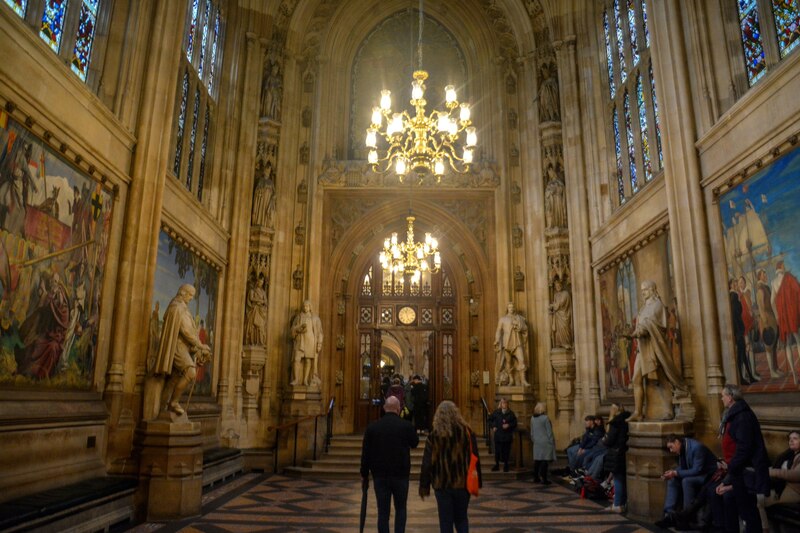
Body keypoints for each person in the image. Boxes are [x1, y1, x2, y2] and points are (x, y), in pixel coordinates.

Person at [627, 281, 689, 421]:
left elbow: (655, 324)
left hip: (655, 348)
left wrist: (641, 330)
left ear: (652, 289)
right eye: (642, 290)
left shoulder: (657, 305)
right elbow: (642, 324)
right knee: (636, 379)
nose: (643, 292)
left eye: (645, 290)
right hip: (642, 349)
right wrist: (635, 333)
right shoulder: (643, 308)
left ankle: (668, 410)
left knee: (662, 380)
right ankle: (638, 412)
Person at [419, 401, 481, 533]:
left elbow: (427, 463)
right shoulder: (467, 433)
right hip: (462, 483)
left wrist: (424, 486)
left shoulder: (434, 436)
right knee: (462, 519)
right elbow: (475, 457)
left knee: (445, 521)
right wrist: (478, 480)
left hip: (442, 484)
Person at [715, 384, 770, 533]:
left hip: (744, 470)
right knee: (740, 506)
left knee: (749, 511)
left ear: (731, 397)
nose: (721, 398)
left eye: (723, 395)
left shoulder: (743, 416)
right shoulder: (734, 414)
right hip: (738, 469)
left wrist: (731, 466)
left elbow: (745, 447)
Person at [360, 395, 419, 533]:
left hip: (380, 475)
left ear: (384, 408)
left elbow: (366, 453)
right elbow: (415, 443)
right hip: (401, 475)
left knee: (383, 512)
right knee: (401, 509)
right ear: (398, 409)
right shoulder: (405, 426)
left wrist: (364, 473)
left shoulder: (372, 428)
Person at [151, 284, 212, 415]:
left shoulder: (182, 308)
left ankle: (163, 407)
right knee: (190, 372)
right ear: (183, 293)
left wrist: (197, 351)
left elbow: (191, 331)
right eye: (190, 295)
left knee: (174, 378)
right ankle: (173, 402)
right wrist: (200, 345)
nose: (191, 298)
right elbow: (186, 331)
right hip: (177, 347)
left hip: (183, 346)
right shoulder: (178, 307)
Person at [654, 434, 718, 527]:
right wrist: (673, 472)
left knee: (687, 481)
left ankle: (686, 517)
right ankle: (669, 515)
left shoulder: (697, 447)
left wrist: (676, 473)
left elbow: (697, 470)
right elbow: (684, 467)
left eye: (671, 447)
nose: (671, 451)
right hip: (698, 473)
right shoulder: (683, 447)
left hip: (707, 476)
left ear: (676, 442)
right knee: (672, 480)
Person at [771, 260, 800, 384]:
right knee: (798, 340)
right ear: (781, 267)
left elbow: (772, 302)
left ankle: (794, 377)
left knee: (787, 344)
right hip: (791, 313)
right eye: (783, 265)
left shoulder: (773, 282)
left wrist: (777, 316)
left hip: (782, 316)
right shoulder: (788, 277)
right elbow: (798, 291)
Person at [600, 403, 631, 513]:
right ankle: (623, 503)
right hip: (625, 451)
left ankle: (617, 504)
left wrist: (604, 441)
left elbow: (610, 439)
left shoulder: (615, 422)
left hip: (616, 453)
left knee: (617, 479)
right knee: (623, 479)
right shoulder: (627, 420)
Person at [494, 302, 530, 386]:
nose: (511, 309)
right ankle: (511, 380)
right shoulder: (502, 319)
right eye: (510, 307)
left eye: (513, 307)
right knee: (508, 362)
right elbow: (498, 330)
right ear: (507, 308)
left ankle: (523, 380)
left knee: (522, 360)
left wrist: (519, 327)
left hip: (517, 342)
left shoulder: (519, 318)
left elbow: (525, 328)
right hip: (506, 343)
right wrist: (497, 340)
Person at [289, 299, 323, 387]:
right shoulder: (298, 317)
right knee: (296, 359)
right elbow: (292, 329)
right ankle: (296, 379)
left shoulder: (315, 318)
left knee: (308, 360)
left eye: (307, 306)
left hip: (310, 342)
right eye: (304, 306)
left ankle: (305, 380)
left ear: (310, 307)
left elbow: (320, 332)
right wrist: (298, 328)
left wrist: (319, 343)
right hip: (300, 341)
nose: (305, 307)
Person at [766, 430, 800, 506]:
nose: (791, 440)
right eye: (790, 438)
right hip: (780, 485)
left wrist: (772, 472)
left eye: (795, 438)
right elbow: (778, 466)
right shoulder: (788, 454)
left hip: (794, 490)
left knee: (760, 500)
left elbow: (796, 475)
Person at [530, 402, 556, 485]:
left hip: (537, 442)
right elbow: (549, 432)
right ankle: (544, 479)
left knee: (537, 460)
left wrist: (534, 440)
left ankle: (536, 477)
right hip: (546, 442)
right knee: (545, 460)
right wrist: (552, 442)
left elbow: (532, 432)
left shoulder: (532, 418)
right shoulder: (545, 418)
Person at [489, 398, 517, 472]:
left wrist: (509, 425)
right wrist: (493, 426)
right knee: (497, 451)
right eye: (502, 403)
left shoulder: (511, 413)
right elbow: (490, 420)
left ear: (507, 404)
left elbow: (514, 423)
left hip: (507, 435)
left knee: (506, 451)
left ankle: (506, 465)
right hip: (498, 435)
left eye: (505, 403)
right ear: (500, 404)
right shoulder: (496, 412)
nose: (504, 404)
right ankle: (497, 465)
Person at [243, 274, 267, 345]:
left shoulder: (263, 292)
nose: (261, 284)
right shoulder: (252, 290)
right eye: (260, 282)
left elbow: (265, 301)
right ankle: (252, 341)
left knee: (261, 327)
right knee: (253, 326)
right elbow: (251, 298)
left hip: (261, 310)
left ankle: (259, 341)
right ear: (257, 282)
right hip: (254, 309)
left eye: (262, 282)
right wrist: (258, 301)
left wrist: (263, 302)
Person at [549, 277, 573, 348]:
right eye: (556, 286)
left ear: (561, 285)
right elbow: (556, 304)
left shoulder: (566, 293)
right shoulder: (555, 295)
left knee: (564, 328)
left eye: (559, 286)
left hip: (564, 315)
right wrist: (552, 307)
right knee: (558, 331)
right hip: (557, 316)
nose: (557, 287)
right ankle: (559, 343)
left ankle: (566, 342)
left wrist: (552, 306)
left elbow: (561, 303)